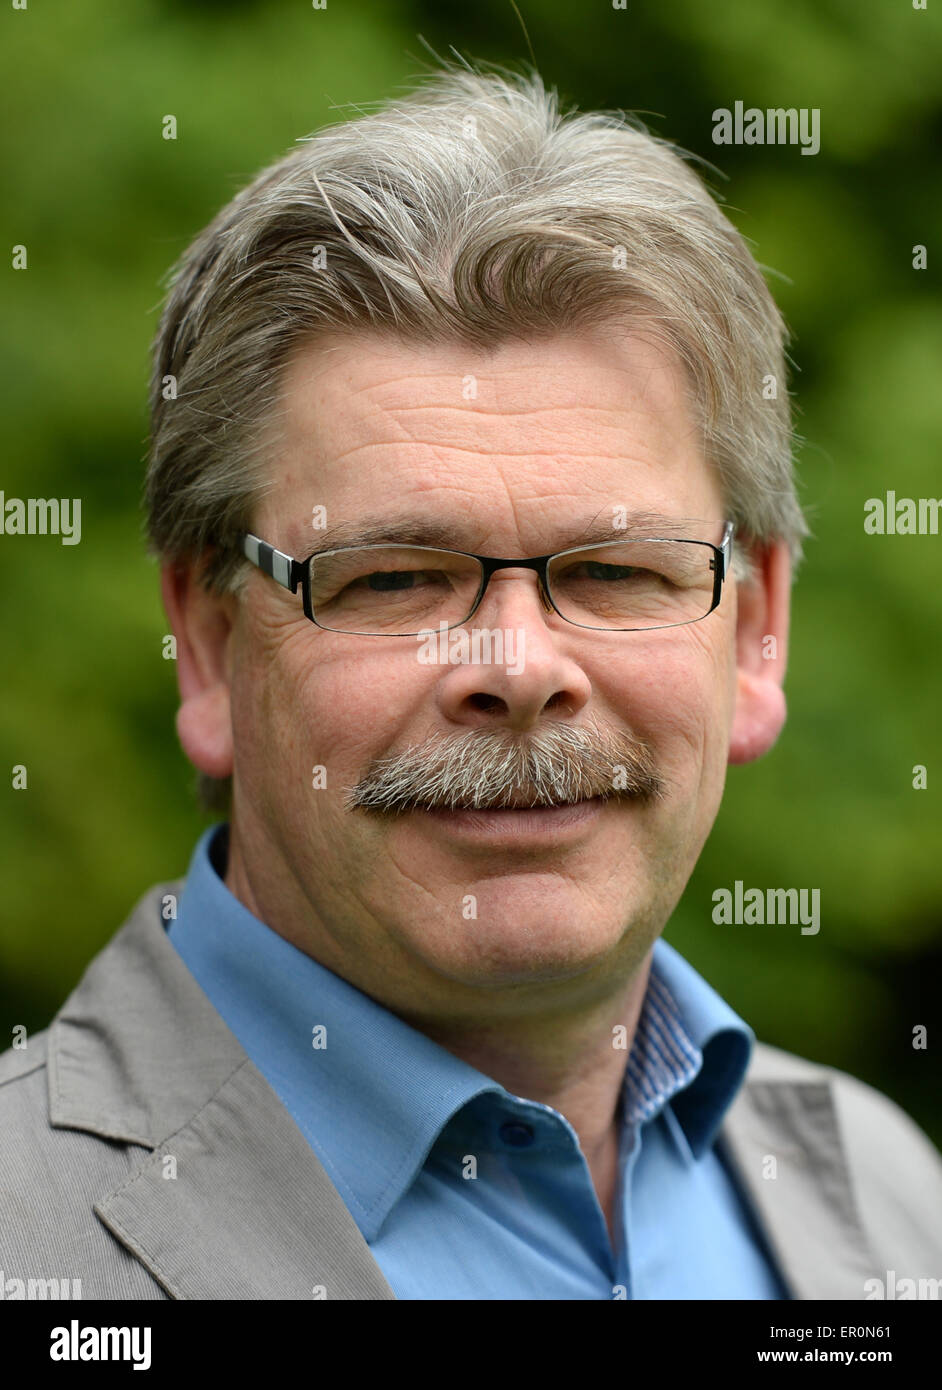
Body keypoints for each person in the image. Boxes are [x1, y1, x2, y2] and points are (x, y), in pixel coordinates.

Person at [2, 62, 940, 1302]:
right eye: (394, 578)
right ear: (212, 647)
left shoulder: (891, 1198)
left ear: (756, 628)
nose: (517, 670)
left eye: (614, 568)